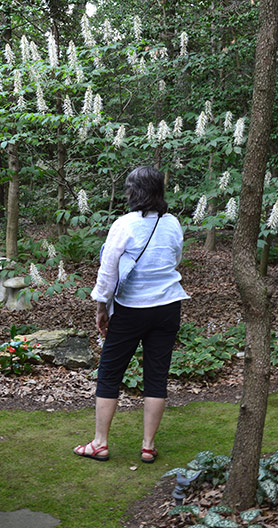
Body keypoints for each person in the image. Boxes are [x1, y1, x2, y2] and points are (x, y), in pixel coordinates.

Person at [74, 166, 189, 463]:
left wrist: (101, 307)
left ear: (133, 192)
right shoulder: (173, 223)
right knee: (157, 375)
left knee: (110, 373)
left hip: (130, 309)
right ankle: (148, 446)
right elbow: (175, 258)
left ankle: (100, 443)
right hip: (168, 306)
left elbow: (108, 270)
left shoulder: (124, 224)